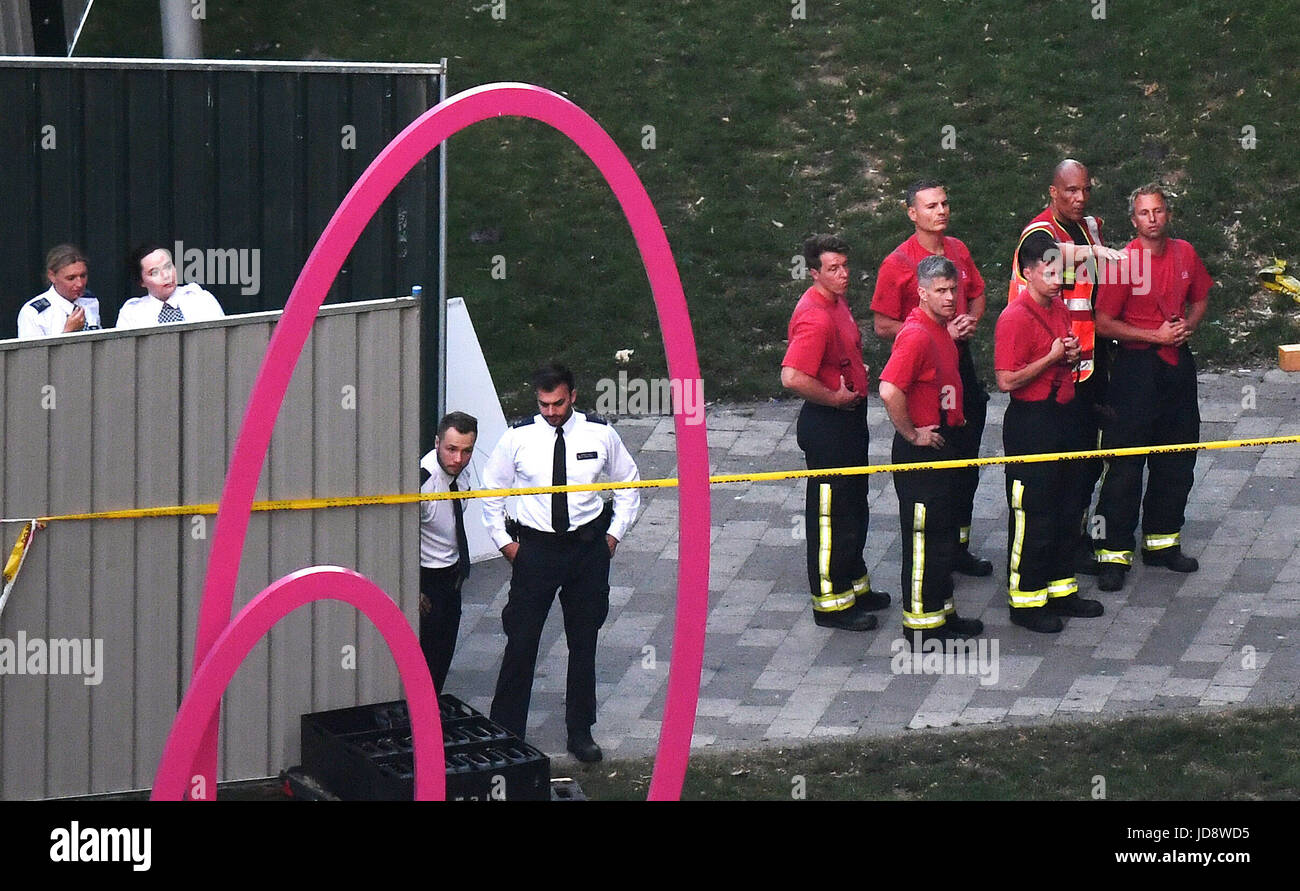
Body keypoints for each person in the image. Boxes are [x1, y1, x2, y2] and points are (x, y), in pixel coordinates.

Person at [480, 363, 640, 762]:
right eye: (544, 404)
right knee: (521, 640)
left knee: (584, 641)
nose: (551, 411)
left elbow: (629, 482)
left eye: (558, 403)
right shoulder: (518, 438)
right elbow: (490, 493)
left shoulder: (599, 433)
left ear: (573, 395)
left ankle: (580, 731)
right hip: (535, 551)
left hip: (587, 549)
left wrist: (613, 536)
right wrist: (506, 545)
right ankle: (506, 730)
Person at [1091, 184, 1212, 591]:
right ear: (1134, 220)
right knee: (1125, 464)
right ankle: (1112, 553)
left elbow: (1200, 298)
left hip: (1177, 367)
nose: (1153, 219)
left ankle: (1162, 542)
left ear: (1168, 214)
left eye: (1158, 211)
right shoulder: (1123, 264)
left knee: (1177, 456)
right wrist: (1155, 335)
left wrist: (1187, 327)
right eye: (1145, 213)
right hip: (1135, 369)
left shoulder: (1185, 253)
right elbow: (1103, 323)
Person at [1009, 159, 1125, 576]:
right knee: (1062, 470)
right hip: (1056, 370)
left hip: (1087, 363)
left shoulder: (1089, 225)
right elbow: (1051, 255)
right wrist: (1093, 253)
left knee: (1085, 464)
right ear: (1052, 192)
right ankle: (1061, 549)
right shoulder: (1041, 232)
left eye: (1085, 190)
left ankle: (1073, 540)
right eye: (1070, 190)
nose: (1079, 198)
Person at [872, 180, 992, 576]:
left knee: (964, 463)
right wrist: (934, 331)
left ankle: (956, 547)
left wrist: (970, 320)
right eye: (930, 206)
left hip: (961, 366)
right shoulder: (897, 264)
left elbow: (977, 292)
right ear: (912, 214)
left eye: (944, 202)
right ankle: (937, 554)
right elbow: (883, 325)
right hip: (927, 371)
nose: (940, 211)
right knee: (937, 463)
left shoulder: (958, 249)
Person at [994, 231, 1106, 632]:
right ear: (1028, 273)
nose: (1059, 278)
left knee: (1067, 503)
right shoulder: (1014, 318)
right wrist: (1052, 357)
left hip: (1064, 415)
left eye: (1062, 270)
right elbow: (1006, 380)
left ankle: (1061, 589)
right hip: (1032, 424)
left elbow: (1060, 349)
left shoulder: (1058, 307)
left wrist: (1068, 354)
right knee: (1033, 513)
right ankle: (1025, 602)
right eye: (1050, 270)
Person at [781, 234, 891, 633]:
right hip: (829, 423)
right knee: (831, 514)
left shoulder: (835, 301)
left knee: (853, 506)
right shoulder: (815, 316)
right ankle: (830, 603)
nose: (844, 275)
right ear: (814, 272)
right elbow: (792, 376)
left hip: (847, 418)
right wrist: (833, 396)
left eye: (845, 266)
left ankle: (854, 584)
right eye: (833, 269)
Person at [878, 255, 983, 648]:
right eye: (940, 291)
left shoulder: (941, 330)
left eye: (954, 289)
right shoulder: (918, 334)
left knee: (942, 538)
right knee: (925, 539)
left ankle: (942, 613)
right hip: (922, 455)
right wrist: (913, 434)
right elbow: (890, 390)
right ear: (921, 293)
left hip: (943, 447)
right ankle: (922, 628)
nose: (950, 297)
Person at [418, 411, 478, 693]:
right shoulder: (423, 482)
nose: (458, 459)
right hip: (427, 583)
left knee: (442, 658)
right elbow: (397, 538)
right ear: (436, 442)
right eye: (451, 449)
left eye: (466, 451)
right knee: (424, 665)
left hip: (452, 578)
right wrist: (412, 589)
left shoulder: (461, 473)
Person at [117, 243, 225, 328]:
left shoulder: (201, 299)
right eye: (154, 272)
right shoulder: (131, 313)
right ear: (141, 282)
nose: (166, 275)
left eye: (168, 266)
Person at [16, 244, 102, 338]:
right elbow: (34, 352)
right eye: (71, 278)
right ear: (52, 276)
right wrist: (68, 332)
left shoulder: (90, 301)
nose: (80, 284)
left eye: (83, 276)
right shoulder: (33, 313)